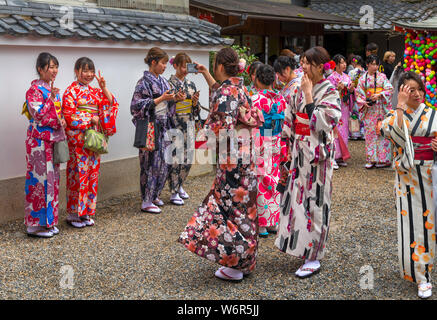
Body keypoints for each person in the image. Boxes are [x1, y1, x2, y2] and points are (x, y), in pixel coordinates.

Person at [178, 47, 264, 281]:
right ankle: (245, 262)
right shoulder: (238, 87)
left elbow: (222, 129)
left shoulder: (227, 94)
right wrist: (207, 75)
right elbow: (222, 92)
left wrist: (205, 135)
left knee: (229, 210)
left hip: (232, 160)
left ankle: (234, 264)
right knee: (245, 209)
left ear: (219, 66)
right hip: (246, 157)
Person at [275, 46, 342, 279]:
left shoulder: (330, 90)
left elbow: (326, 122)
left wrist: (310, 96)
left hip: (318, 155)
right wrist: (286, 150)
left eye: (307, 63)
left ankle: (314, 255)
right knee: (297, 201)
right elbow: (289, 119)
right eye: (301, 62)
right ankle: (300, 246)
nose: (302, 67)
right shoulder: (298, 89)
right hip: (299, 152)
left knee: (316, 202)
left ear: (320, 66)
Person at [380, 71, 436, 299]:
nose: (417, 94)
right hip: (406, 176)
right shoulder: (394, 116)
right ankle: (420, 275)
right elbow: (395, 136)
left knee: (428, 225)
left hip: (430, 176)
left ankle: (424, 272)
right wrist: (400, 107)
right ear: (401, 92)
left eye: (419, 89)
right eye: (410, 90)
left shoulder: (432, 114)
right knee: (411, 225)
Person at [62, 57, 119, 227]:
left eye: (91, 71)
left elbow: (111, 105)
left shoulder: (95, 91)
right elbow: (69, 115)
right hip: (79, 140)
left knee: (92, 176)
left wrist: (103, 87)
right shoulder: (70, 91)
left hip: (92, 141)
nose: (88, 74)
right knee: (77, 176)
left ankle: (86, 212)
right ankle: (73, 214)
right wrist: (90, 119)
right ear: (76, 71)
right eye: (84, 70)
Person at [131, 47, 185, 214]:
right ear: (153, 62)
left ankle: (154, 195)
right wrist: (162, 98)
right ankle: (146, 200)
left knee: (163, 163)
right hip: (151, 127)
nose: (164, 66)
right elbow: (136, 106)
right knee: (150, 165)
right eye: (162, 63)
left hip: (163, 127)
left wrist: (175, 99)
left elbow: (166, 106)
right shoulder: (143, 82)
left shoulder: (162, 81)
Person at [24, 52, 66, 238]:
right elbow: (39, 115)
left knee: (53, 180)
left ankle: (48, 222)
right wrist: (52, 103)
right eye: (51, 67)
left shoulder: (50, 90)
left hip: (51, 140)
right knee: (39, 181)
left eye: (56, 66)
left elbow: (56, 115)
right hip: (38, 142)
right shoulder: (34, 91)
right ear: (40, 69)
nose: (54, 70)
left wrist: (62, 120)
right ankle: (34, 225)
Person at [251, 64, 287, 238]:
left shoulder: (255, 99)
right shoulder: (281, 99)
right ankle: (274, 220)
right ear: (274, 80)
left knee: (261, 180)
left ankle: (262, 225)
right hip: (277, 139)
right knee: (274, 178)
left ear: (257, 79)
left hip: (261, 138)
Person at [166, 53, 202, 206]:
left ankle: (180, 184)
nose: (185, 70)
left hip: (188, 123)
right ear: (175, 66)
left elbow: (196, 110)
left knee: (187, 158)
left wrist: (194, 103)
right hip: (174, 123)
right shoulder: (168, 84)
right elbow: (164, 106)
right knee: (175, 158)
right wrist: (174, 101)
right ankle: (173, 191)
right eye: (182, 66)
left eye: (187, 66)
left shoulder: (191, 85)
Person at [356, 55, 393, 169]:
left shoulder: (382, 77)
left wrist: (380, 94)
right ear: (367, 64)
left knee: (382, 132)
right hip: (369, 110)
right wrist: (363, 102)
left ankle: (383, 159)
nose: (375, 66)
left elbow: (390, 89)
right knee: (370, 134)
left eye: (377, 64)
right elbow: (358, 93)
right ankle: (371, 159)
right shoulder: (362, 79)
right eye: (372, 64)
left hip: (381, 108)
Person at [273, 55, 300, 191]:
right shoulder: (291, 85)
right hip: (288, 131)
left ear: (288, 69)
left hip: (293, 132)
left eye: (279, 73)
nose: (278, 76)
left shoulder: (296, 86)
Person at [328, 54, 354, 169]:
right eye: (342, 63)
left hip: (344, 108)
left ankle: (341, 156)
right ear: (336, 65)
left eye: (345, 63)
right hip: (335, 108)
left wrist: (351, 90)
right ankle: (334, 156)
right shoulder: (331, 78)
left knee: (344, 132)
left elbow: (351, 93)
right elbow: (328, 93)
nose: (344, 65)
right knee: (335, 131)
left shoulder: (347, 77)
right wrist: (337, 89)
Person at [348, 55, 366, 140]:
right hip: (364, 95)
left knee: (354, 113)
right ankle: (363, 133)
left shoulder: (352, 72)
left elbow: (349, 84)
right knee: (362, 113)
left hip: (355, 95)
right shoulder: (365, 72)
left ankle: (355, 133)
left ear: (354, 62)